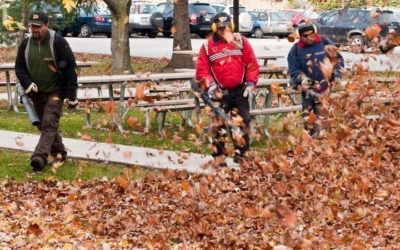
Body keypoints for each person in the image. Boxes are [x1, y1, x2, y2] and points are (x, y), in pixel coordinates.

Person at [15, 11, 78, 171]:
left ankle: (39, 157)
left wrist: (72, 96)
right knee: (44, 125)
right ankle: (59, 153)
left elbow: (70, 68)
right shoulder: (25, 44)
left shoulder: (58, 42)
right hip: (36, 92)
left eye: (38, 26)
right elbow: (19, 67)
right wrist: (28, 83)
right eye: (32, 26)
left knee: (49, 122)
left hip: (56, 90)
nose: (35, 30)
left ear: (46, 25)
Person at [195, 12, 259, 164]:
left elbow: (252, 64)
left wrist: (251, 82)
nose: (224, 31)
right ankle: (219, 157)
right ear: (215, 28)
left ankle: (241, 155)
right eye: (221, 28)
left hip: (239, 90)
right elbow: (202, 71)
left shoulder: (241, 42)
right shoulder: (207, 46)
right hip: (219, 92)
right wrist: (210, 85)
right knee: (218, 126)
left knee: (243, 122)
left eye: (227, 28)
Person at [287, 21, 344, 137]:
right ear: (300, 36)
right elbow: (294, 70)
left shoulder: (324, 43)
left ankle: (319, 145)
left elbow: (338, 60)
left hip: (324, 89)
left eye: (311, 34)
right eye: (305, 36)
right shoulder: (296, 49)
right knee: (308, 121)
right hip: (307, 90)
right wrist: (306, 80)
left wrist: (337, 73)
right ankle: (309, 146)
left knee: (321, 123)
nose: (308, 38)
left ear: (315, 32)